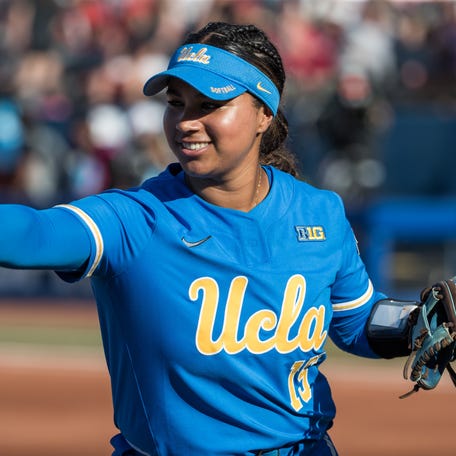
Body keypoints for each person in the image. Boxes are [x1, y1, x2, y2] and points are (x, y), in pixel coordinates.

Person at [0, 21, 439, 456]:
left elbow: (356, 318)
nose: (187, 122)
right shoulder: (135, 220)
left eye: (210, 104)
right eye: (177, 103)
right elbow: (34, 234)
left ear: (264, 113)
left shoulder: (318, 212)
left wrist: (418, 322)